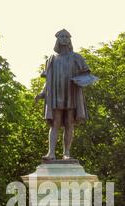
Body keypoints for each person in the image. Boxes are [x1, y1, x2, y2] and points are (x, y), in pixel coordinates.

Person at [35, 29, 93, 160]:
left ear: (70, 39)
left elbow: (87, 74)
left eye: (67, 36)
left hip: (71, 92)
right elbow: (48, 79)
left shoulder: (77, 57)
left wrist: (82, 80)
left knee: (69, 123)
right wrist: (42, 92)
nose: (64, 39)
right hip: (56, 94)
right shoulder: (51, 59)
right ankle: (51, 153)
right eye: (62, 36)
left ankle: (66, 153)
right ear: (57, 39)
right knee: (55, 123)